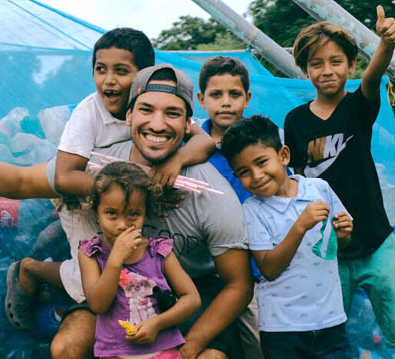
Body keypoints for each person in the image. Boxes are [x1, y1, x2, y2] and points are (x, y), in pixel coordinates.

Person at [0, 27, 216, 334]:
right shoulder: (90, 113)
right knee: (98, 277)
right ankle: (29, 270)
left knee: (129, 265)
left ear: (145, 77)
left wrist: (177, 159)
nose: (109, 80)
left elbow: (204, 141)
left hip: (125, 195)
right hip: (82, 191)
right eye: (101, 69)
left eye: (121, 71)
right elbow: (58, 177)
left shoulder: (157, 103)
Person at [46, 64, 254, 359]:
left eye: (172, 113)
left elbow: (239, 285)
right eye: (146, 110)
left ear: (187, 125)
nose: (157, 124)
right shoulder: (101, 167)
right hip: (116, 287)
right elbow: (28, 180)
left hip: (193, 292)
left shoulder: (210, 192)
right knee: (67, 347)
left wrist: (189, 349)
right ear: (129, 116)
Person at [280, 6, 395, 358]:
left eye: (335, 61)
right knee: (333, 339)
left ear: (349, 65)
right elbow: (297, 184)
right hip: (330, 253)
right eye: (316, 63)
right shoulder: (296, 121)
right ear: (305, 70)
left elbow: (374, 76)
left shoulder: (357, 107)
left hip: (377, 243)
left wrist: (386, 42)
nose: (327, 70)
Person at [223, 115, 356, 359]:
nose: (256, 175)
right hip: (283, 328)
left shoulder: (319, 189)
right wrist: (299, 227)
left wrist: (343, 233)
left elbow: (337, 244)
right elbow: (269, 269)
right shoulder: (253, 210)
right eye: (244, 171)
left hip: (330, 320)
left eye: (261, 162)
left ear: (283, 156)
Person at [79, 161, 201, 359]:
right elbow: (98, 305)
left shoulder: (158, 251)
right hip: (115, 354)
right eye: (111, 213)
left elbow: (192, 299)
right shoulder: (91, 253)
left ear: (146, 214)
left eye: (133, 214)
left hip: (163, 352)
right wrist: (115, 260)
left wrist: (157, 323)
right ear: (96, 213)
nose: (122, 225)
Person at [197, 56, 254, 203]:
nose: (226, 103)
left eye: (234, 94)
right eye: (216, 95)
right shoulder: (189, 146)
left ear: (247, 99)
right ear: (202, 100)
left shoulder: (264, 141)